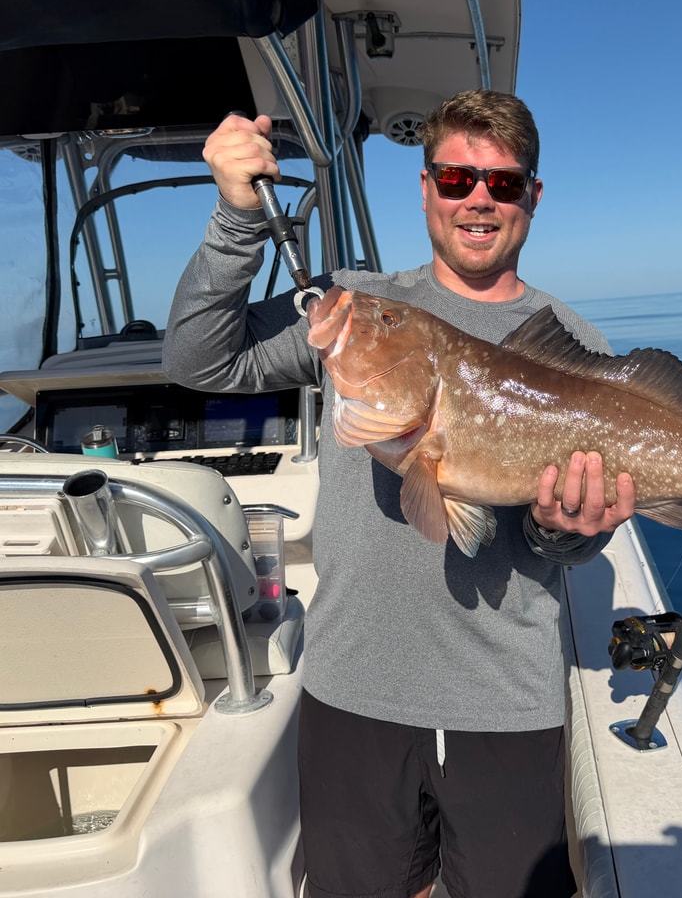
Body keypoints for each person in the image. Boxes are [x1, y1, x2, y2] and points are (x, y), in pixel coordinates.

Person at [163, 89, 636, 898]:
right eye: (454, 180)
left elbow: (577, 540)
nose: (478, 199)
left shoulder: (574, 345)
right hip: (351, 687)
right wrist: (237, 219)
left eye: (503, 183)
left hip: (506, 704)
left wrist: (568, 531)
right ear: (424, 188)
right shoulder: (356, 308)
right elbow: (200, 364)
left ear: (532, 198)